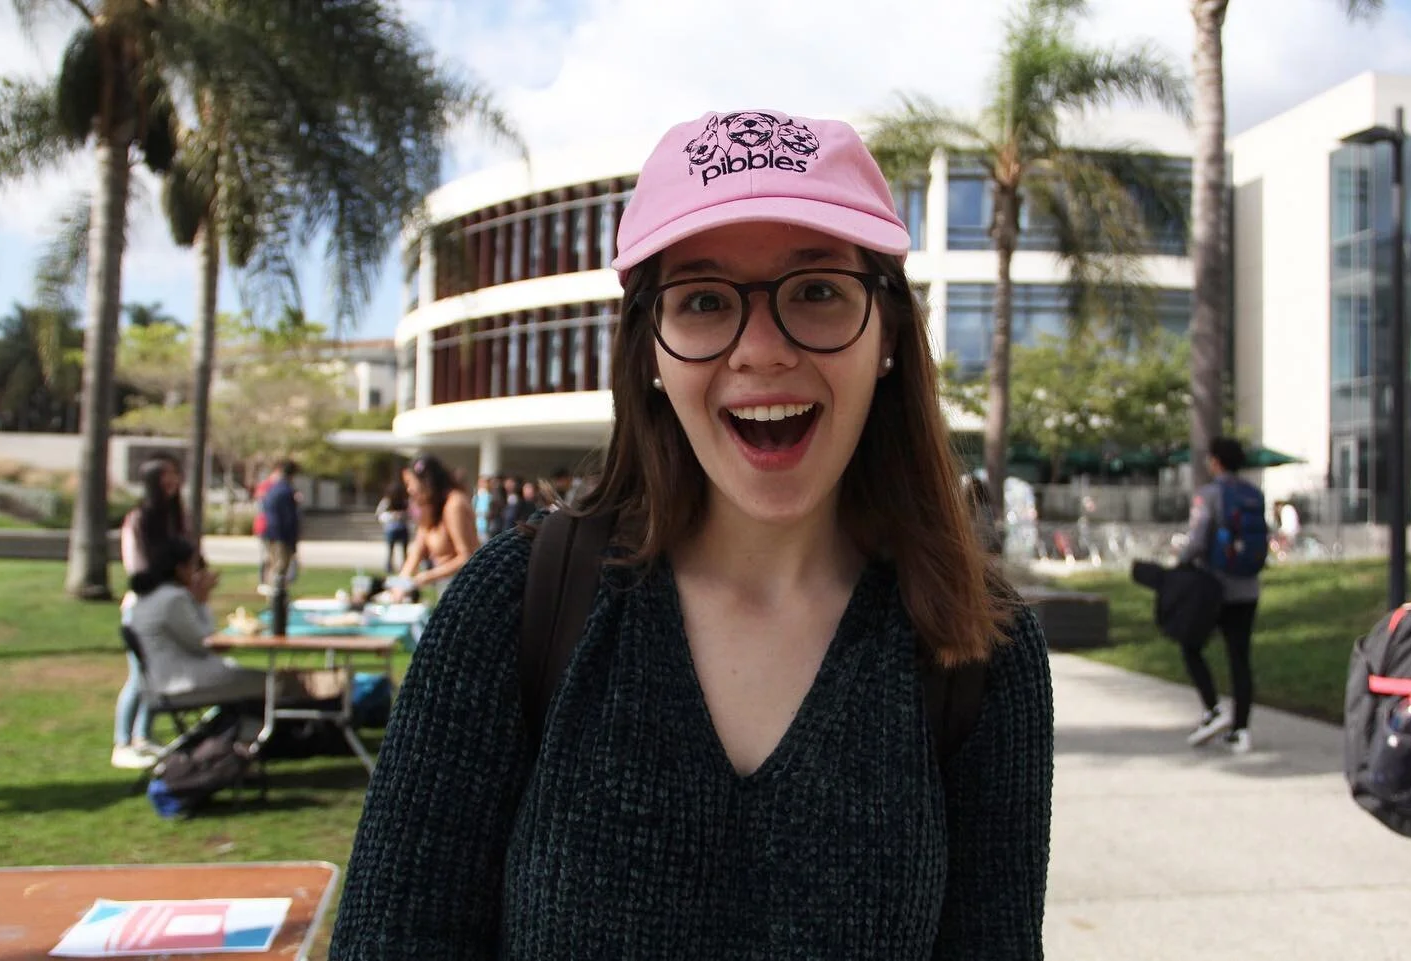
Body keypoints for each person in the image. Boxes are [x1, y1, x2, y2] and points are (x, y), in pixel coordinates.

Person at [330, 108, 1053, 959]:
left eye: (817, 290)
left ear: (888, 334)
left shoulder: (980, 651)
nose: (761, 350)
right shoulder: (511, 609)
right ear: (649, 351)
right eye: (705, 301)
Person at [113, 453, 198, 770]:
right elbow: (138, 567)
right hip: (144, 605)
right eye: (166, 476)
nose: (172, 482)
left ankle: (142, 736)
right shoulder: (141, 518)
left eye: (175, 474)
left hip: (173, 602)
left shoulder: (176, 517)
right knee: (140, 674)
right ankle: (122, 741)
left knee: (158, 674)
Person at [1179, 436, 1263, 754]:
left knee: (1191, 646)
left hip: (1214, 589)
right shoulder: (1253, 494)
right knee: (1240, 659)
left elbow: (1199, 539)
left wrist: (1181, 562)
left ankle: (1213, 709)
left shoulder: (1209, 495)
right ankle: (1241, 730)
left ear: (1216, 461)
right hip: (1248, 588)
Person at [127, 537, 265, 708]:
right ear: (180, 569)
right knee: (274, 682)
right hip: (181, 683)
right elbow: (204, 643)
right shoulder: (173, 598)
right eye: (193, 566)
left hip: (163, 680)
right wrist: (202, 598)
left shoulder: (150, 596)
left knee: (253, 678)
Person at [394, 454, 480, 597]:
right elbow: (417, 550)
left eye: (411, 483)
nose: (409, 490)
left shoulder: (454, 504)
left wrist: (427, 576)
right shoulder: (431, 507)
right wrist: (400, 585)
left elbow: (467, 555)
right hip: (446, 587)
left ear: (427, 482)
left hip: (465, 589)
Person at [259, 460, 301, 587]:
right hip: (281, 535)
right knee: (280, 567)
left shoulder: (273, 489)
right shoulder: (286, 491)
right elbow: (289, 518)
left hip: (270, 532)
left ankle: (275, 592)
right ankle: (276, 596)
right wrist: (292, 540)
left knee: (275, 564)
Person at [374, 480, 410, 574]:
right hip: (391, 529)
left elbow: (411, 514)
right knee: (391, 551)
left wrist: (403, 515)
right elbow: (379, 515)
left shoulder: (405, 501)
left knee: (404, 551)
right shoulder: (387, 501)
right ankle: (389, 568)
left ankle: (405, 568)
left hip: (402, 528)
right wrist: (392, 516)